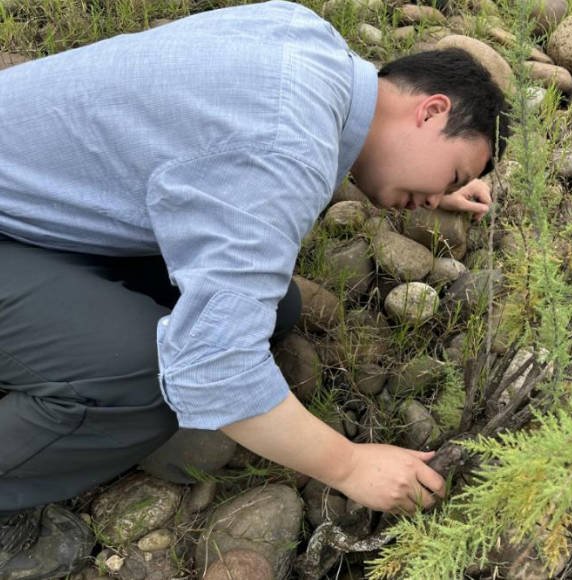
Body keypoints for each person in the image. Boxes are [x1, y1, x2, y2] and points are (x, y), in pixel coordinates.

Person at [0, 1, 509, 576]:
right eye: (455, 174)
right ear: (431, 111)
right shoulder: (285, 146)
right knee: (142, 376)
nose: (440, 193)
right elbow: (213, 363)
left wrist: (426, 187)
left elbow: (260, 147)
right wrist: (346, 465)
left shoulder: (307, 44)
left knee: (274, 310)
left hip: (25, 203)